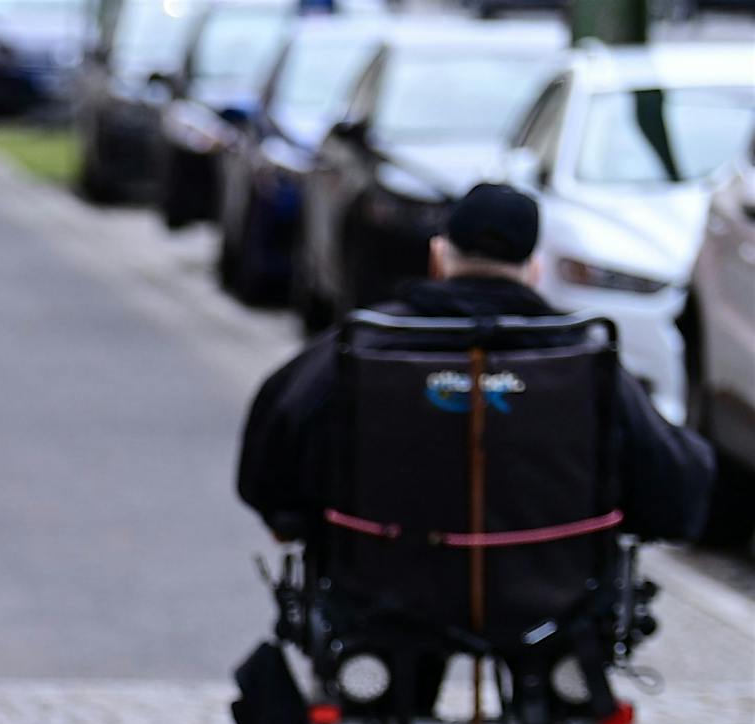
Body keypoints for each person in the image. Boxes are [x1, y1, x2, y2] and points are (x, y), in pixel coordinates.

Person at [237, 183, 714, 549]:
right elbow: (676, 486)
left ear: (438, 257)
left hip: (382, 588)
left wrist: (295, 518)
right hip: (552, 594)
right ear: (534, 270)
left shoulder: (364, 344)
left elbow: (271, 450)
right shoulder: (582, 359)